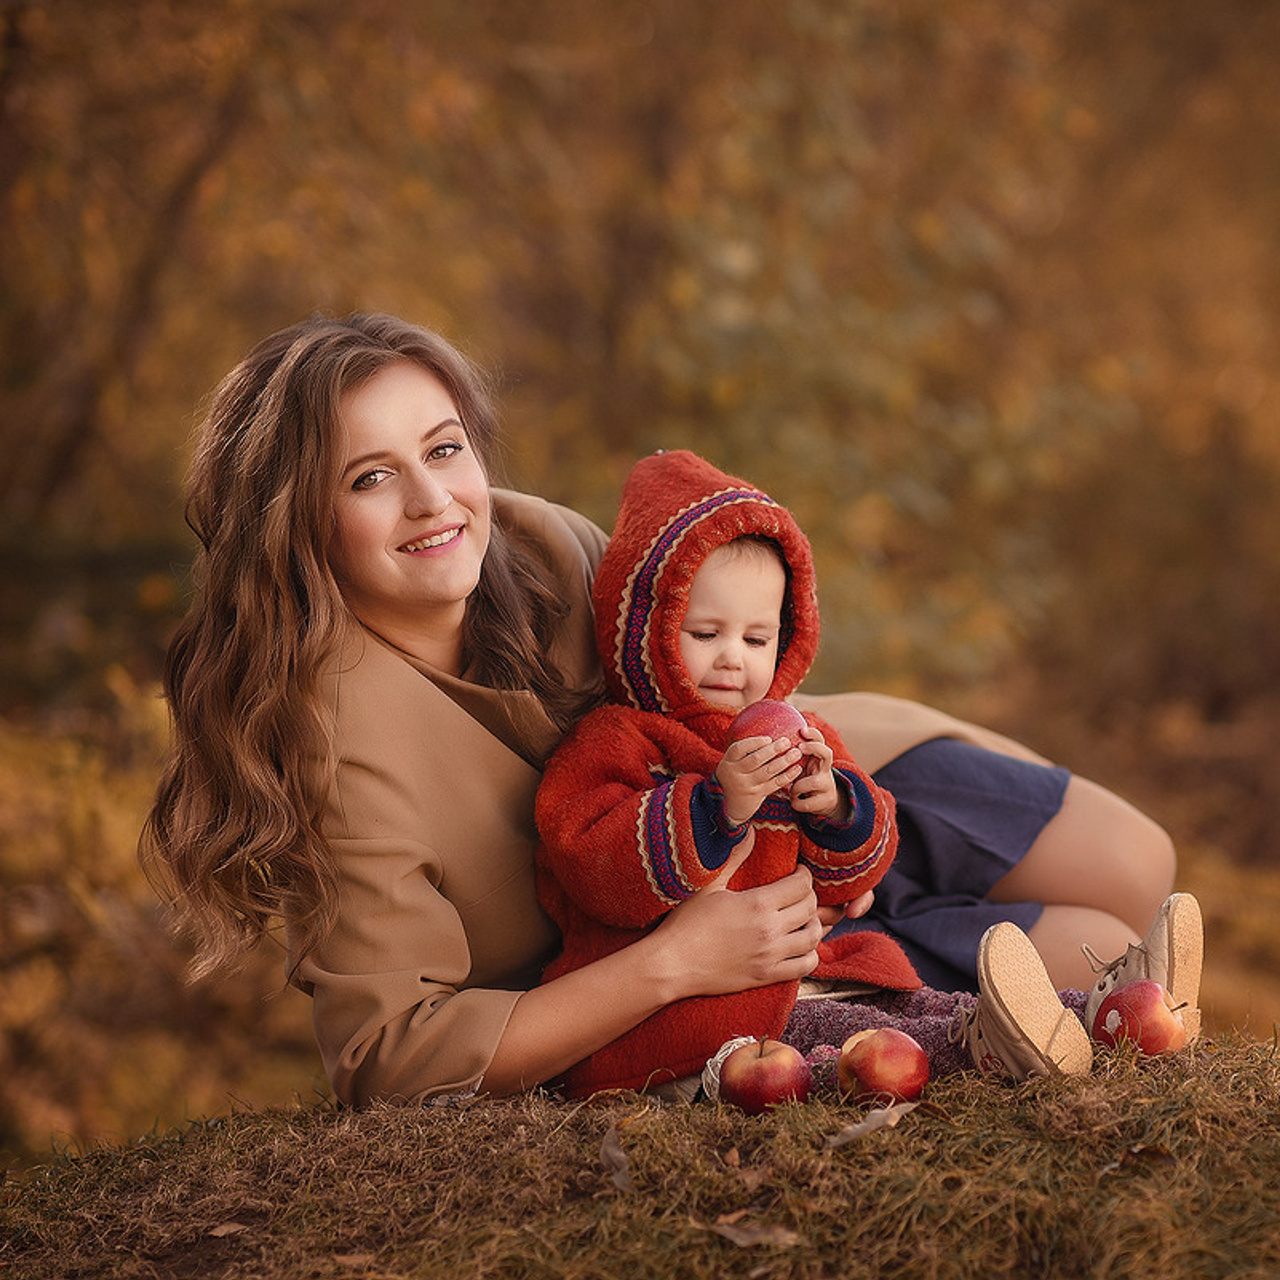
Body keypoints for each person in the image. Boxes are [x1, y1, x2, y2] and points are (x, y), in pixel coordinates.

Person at [140, 311, 1197, 1109]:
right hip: (682, 918)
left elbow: (718, 625)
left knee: (1137, 863)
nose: (433, 500)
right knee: (1093, 944)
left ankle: (872, 912)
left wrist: (822, 818)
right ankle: (891, 966)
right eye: (372, 475)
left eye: (444, 446)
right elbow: (394, 1055)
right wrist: (680, 962)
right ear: (294, 525)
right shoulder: (334, 745)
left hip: (806, 778)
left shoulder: (536, 543)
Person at [535, 449, 921, 1098]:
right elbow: (591, 862)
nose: (731, 660)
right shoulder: (620, 739)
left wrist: (832, 806)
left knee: (902, 1004)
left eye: (755, 639)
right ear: (648, 633)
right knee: (845, 1041)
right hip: (687, 1012)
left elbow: (859, 871)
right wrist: (718, 807)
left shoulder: (800, 733)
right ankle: (965, 1041)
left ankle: (1054, 1016)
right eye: (705, 632)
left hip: (799, 973)